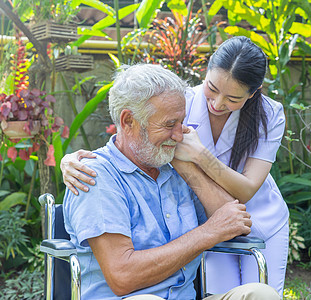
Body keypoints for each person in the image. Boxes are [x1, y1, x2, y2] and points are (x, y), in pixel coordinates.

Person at [61, 36, 289, 296]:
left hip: (258, 212)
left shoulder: (175, 163)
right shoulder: (97, 176)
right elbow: (126, 146)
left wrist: (190, 165)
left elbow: (232, 218)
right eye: (171, 125)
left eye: (182, 124)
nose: (181, 134)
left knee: (262, 294)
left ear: (254, 92)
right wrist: (69, 160)